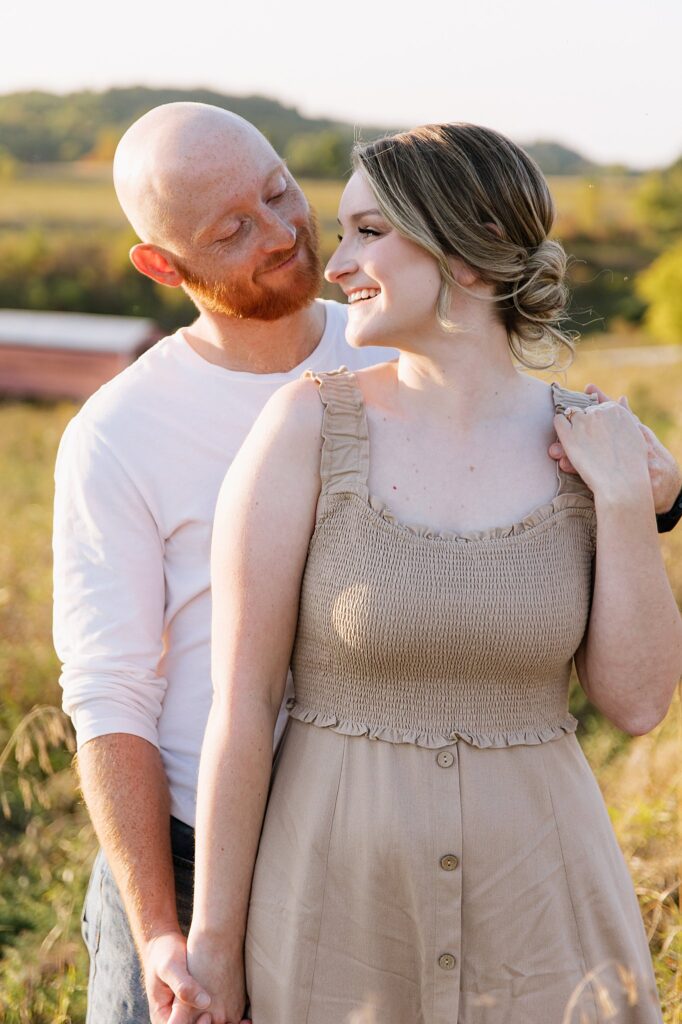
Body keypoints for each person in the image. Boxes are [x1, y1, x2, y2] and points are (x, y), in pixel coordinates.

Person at [52, 105, 682, 1024]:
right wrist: (180, 934)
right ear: (164, 264)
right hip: (221, 855)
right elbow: (119, 693)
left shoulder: (449, 363)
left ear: (465, 254)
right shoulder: (137, 430)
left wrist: (642, 494)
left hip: (527, 879)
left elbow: (636, 697)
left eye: (281, 194)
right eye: (232, 230)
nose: (296, 242)